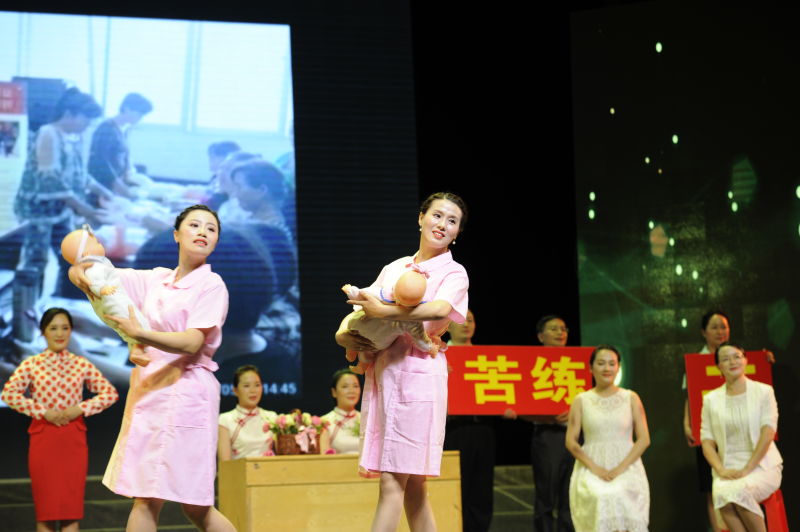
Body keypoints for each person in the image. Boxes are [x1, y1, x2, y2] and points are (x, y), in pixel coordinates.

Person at [68, 204, 235, 532]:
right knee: (155, 499)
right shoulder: (156, 279)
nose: (202, 231)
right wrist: (79, 270)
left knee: (191, 505)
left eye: (211, 228)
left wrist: (140, 334)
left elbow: (192, 343)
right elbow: (99, 272)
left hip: (187, 391)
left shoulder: (211, 285)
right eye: (194, 225)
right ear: (176, 235)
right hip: (150, 390)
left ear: (216, 241)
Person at [335, 191, 469, 531]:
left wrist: (386, 311)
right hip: (386, 373)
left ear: (457, 233)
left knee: (393, 481)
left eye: (452, 221)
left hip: (420, 373)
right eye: (437, 215)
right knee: (415, 488)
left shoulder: (454, 273)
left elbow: (439, 309)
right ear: (421, 218)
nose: (443, 224)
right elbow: (364, 306)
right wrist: (344, 335)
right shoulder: (395, 268)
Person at [1, 307, 119, 532]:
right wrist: (42, 411)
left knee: (70, 513)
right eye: (53, 328)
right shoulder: (32, 364)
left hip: (73, 440)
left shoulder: (81, 364)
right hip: (44, 438)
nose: (59, 333)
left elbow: (109, 394)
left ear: (71, 331)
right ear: (43, 332)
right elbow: (9, 394)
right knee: (46, 513)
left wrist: (80, 408)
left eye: (65, 328)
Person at [13, 87, 109, 306]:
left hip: (59, 212)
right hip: (38, 213)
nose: (87, 125)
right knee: (34, 263)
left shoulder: (71, 138)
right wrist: (82, 207)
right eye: (85, 119)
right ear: (69, 114)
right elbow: (50, 179)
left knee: (71, 257)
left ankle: (59, 303)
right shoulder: (48, 133)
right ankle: (25, 313)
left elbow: (80, 176)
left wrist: (107, 195)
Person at [566, 345, 650, 532]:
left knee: (620, 494)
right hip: (591, 466)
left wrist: (620, 468)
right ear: (591, 368)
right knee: (601, 496)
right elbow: (571, 441)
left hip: (627, 465)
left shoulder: (631, 398)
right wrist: (595, 468)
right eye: (601, 363)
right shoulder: (581, 400)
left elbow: (644, 439)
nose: (607, 368)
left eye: (612, 364)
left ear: (618, 368)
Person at [700, 343, 782, 532]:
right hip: (728, 468)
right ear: (718, 366)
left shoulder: (764, 391)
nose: (732, 362)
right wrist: (720, 469)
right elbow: (707, 442)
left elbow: (768, 432)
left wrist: (748, 468)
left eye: (737, 356)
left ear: (745, 360)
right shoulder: (711, 399)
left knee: (739, 492)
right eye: (725, 359)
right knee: (722, 495)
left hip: (762, 466)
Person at [443, 308, 495, 532]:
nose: (466, 324)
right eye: (461, 320)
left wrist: (507, 406)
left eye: (470, 320)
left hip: (483, 428)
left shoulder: (486, 357)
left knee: (481, 487)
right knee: (456, 485)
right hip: (454, 429)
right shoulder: (439, 354)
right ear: (447, 325)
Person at [683, 310, 730, 532]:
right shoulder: (695, 363)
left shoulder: (738, 357)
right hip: (708, 432)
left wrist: (764, 361)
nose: (720, 332)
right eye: (714, 327)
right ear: (704, 332)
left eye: (724, 326)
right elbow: (689, 398)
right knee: (712, 486)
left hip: (735, 432)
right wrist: (687, 424)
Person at [88, 92, 153, 199]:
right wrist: (117, 184)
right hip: (106, 185)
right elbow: (101, 161)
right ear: (127, 109)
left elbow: (124, 156)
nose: (140, 118)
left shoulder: (123, 129)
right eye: (139, 114)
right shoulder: (106, 129)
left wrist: (127, 174)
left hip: (120, 180)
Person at [218, 365, 277, 460]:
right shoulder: (225, 420)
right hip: (238, 469)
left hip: (269, 469)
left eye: (257, 385)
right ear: (235, 390)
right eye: (246, 386)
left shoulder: (271, 417)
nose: (253, 391)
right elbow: (225, 464)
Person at [321, 368, 362, 454]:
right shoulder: (325, 422)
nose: (352, 391)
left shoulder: (367, 420)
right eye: (345, 386)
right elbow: (323, 457)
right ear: (334, 392)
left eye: (355, 386)